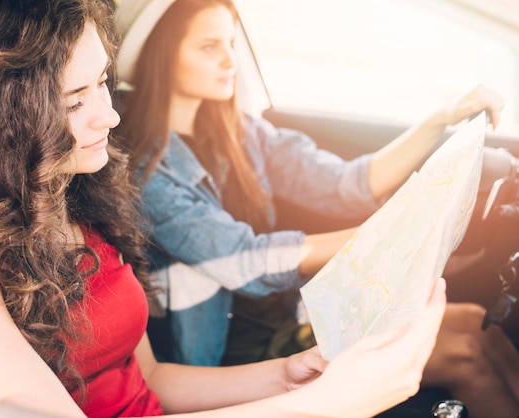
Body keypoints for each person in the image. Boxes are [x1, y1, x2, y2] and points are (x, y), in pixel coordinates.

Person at [0, 0, 453, 417]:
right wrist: (331, 403)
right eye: (75, 100)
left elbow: (150, 380)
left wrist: (285, 377)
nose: (110, 117)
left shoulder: (80, 203)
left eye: (103, 84)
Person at [114, 0, 519, 416]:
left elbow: (347, 184)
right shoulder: (146, 170)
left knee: (476, 322)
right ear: (160, 57)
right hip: (239, 352)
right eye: (209, 47)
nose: (230, 60)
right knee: (467, 356)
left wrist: (442, 119)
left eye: (231, 43)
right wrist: (395, 228)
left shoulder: (242, 133)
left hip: (296, 313)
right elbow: (244, 259)